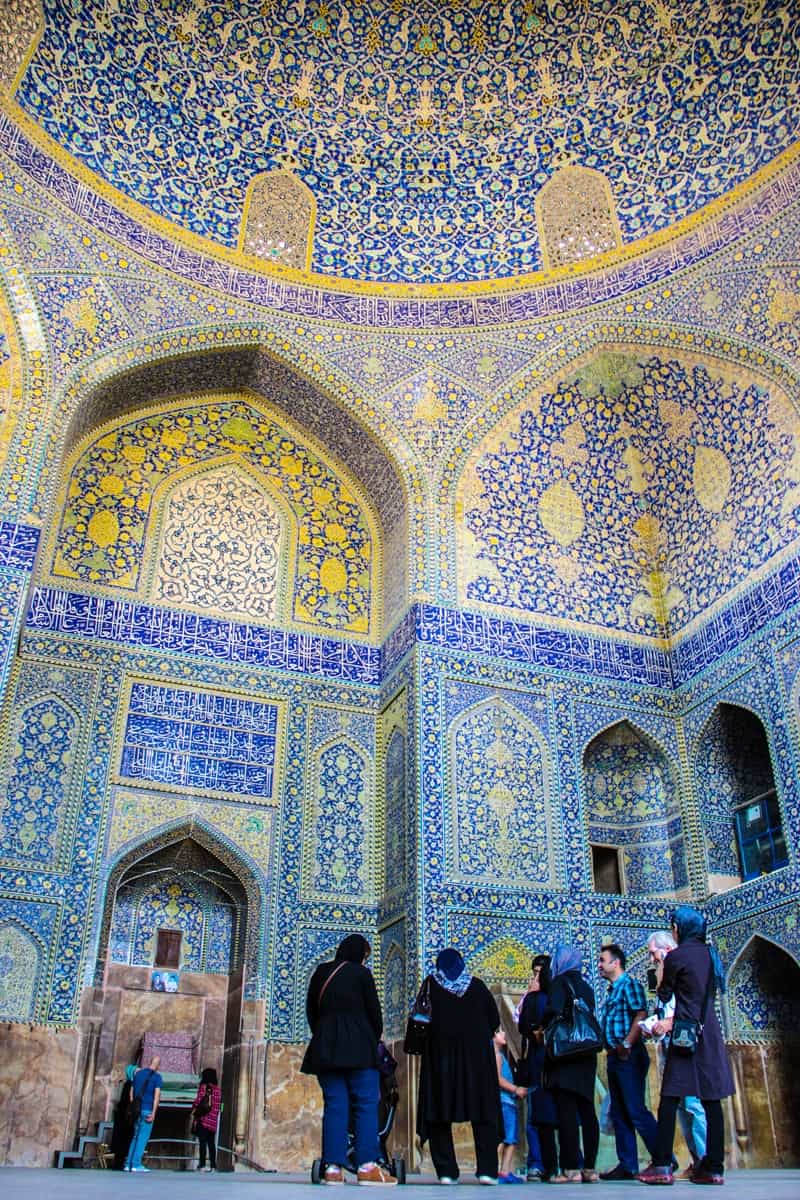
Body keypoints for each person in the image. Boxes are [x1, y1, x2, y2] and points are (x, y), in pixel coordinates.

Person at [638, 908, 735, 1186]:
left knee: (669, 1098)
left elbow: (665, 993)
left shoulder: (677, 956)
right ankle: (714, 1167)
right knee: (711, 1099)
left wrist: (661, 973)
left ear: (678, 928)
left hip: (685, 1034)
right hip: (709, 1033)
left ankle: (661, 1165)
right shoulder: (710, 954)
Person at [301, 933, 396, 1186]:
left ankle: (332, 1169)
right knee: (366, 1104)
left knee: (335, 1106)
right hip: (359, 1050)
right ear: (360, 955)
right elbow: (375, 1015)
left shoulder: (321, 972)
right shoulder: (361, 974)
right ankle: (366, 1167)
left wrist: (326, 1035)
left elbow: (312, 1011)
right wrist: (369, 1038)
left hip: (326, 1049)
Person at [417, 947, 503, 1185]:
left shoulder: (430, 986)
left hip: (441, 1063)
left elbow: (419, 1020)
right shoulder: (477, 986)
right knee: (483, 1112)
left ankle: (446, 1171)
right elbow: (494, 1021)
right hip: (476, 1064)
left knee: (438, 1113)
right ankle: (487, 1170)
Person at [643, 931, 707, 1179]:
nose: (651, 959)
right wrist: (655, 1027)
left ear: (666, 949)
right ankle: (695, 1161)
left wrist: (668, 1023)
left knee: (693, 1105)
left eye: (653, 953)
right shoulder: (665, 974)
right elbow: (666, 1006)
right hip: (673, 1047)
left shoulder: (684, 971)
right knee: (681, 1107)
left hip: (689, 1047)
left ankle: (705, 1160)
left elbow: (691, 1008)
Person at [598, 944, 659, 1181]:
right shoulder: (612, 990)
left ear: (616, 963)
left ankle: (663, 1158)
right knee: (620, 1112)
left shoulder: (629, 985)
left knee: (635, 1110)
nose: (600, 965)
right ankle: (628, 1164)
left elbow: (640, 1013)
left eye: (603, 961)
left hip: (629, 1055)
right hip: (615, 1055)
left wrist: (627, 1044)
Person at [541, 945, 600, 1184]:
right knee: (587, 1112)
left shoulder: (559, 983)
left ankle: (570, 1168)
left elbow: (553, 1009)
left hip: (565, 1053)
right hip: (586, 1054)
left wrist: (542, 1023)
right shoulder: (586, 985)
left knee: (566, 1113)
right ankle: (590, 1168)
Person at [517, 955, 558, 1181]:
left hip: (539, 1062)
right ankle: (571, 1163)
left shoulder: (535, 1000)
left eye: (538, 973)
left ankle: (538, 1163)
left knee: (536, 1116)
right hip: (556, 1062)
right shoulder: (558, 996)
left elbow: (523, 1026)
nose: (534, 977)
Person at [494, 1029, 527, 1183]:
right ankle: (504, 1171)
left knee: (506, 1138)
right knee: (509, 1138)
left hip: (503, 1102)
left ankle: (503, 1171)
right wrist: (515, 1089)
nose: (504, 1034)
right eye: (500, 1033)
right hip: (505, 1102)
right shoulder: (498, 1057)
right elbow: (498, 1079)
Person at [124, 1055, 163, 1172]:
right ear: (158, 1065)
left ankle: (128, 1164)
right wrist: (154, 1113)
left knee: (135, 1136)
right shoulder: (157, 1077)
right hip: (147, 1110)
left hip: (137, 1109)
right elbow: (156, 1097)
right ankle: (136, 1164)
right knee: (142, 1138)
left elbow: (131, 1094)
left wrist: (133, 1108)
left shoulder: (138, 1074)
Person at [192, 1067, 222, 1172]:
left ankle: (202, 1164)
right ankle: (213, 1166)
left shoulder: (204, 1087)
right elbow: (217, 1106)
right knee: (211, 1144)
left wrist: (194, 1106)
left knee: (202, 1143)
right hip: (213, 1122)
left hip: (203, 1119)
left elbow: (198, 1101)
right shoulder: (218, 1090)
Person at [109, 1064, 137, 1170]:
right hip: (126, 1116)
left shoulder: (126, 1084)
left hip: (123, 1115)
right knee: (123, 1139)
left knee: (122, 1139)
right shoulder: (130, 1084)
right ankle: (119, 1162)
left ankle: (119, 1162)